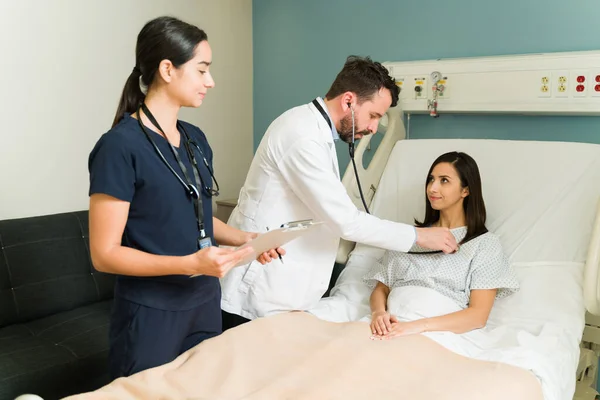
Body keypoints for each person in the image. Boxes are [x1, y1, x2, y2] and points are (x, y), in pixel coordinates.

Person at [88, 16, 281, 379]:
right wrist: (191, 264)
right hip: (152, 311)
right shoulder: (119, 147)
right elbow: (104, 254)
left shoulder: (195, 140)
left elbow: (197, 216)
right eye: (202, 70)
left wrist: (247, 240)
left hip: (205, 301)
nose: (211, 81)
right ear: (167, 69)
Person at [220, 55, 459, 329]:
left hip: (284, 292)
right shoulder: (302, 136)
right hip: (256, 292)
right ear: (348, 101)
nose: (372, 128)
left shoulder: (316, 133)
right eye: (373, 115)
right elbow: (345, 221)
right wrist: (420, 236)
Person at [364, 152, 519, 340]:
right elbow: (381, 288)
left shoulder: (484, 244)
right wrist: (378, 313)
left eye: (444, 180)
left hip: (436, 331)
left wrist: (417, 327)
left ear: (466, 190)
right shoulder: (410, 236)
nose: (432, 188)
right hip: (390, 325)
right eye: (431, 180)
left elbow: (478, 316)